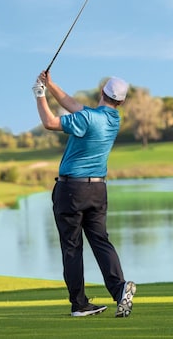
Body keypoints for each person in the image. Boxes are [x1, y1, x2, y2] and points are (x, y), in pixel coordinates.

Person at [32, 71, 136, 317]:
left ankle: (79, 304)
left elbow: (49, 122)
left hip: (71, 190)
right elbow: (73, 105)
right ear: (120, 102)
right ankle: (120, 289)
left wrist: (39, 94)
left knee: (71, 247)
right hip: (98, 190)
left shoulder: (88, 118)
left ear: (102, 92)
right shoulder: (112, 119)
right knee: (101, 241)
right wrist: (52, 84)